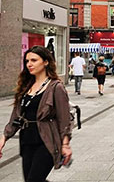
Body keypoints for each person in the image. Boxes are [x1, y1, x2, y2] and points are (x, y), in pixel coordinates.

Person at [0, 46, 72, 181]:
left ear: (45, 62)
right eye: (27, 61)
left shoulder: (56, 87)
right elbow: (16, 116)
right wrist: (4, 138)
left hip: (46, 141)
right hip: (26, 141)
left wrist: (65, 145)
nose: (29, 64)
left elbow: (64, 119)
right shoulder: (25, 86)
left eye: (34, 60)